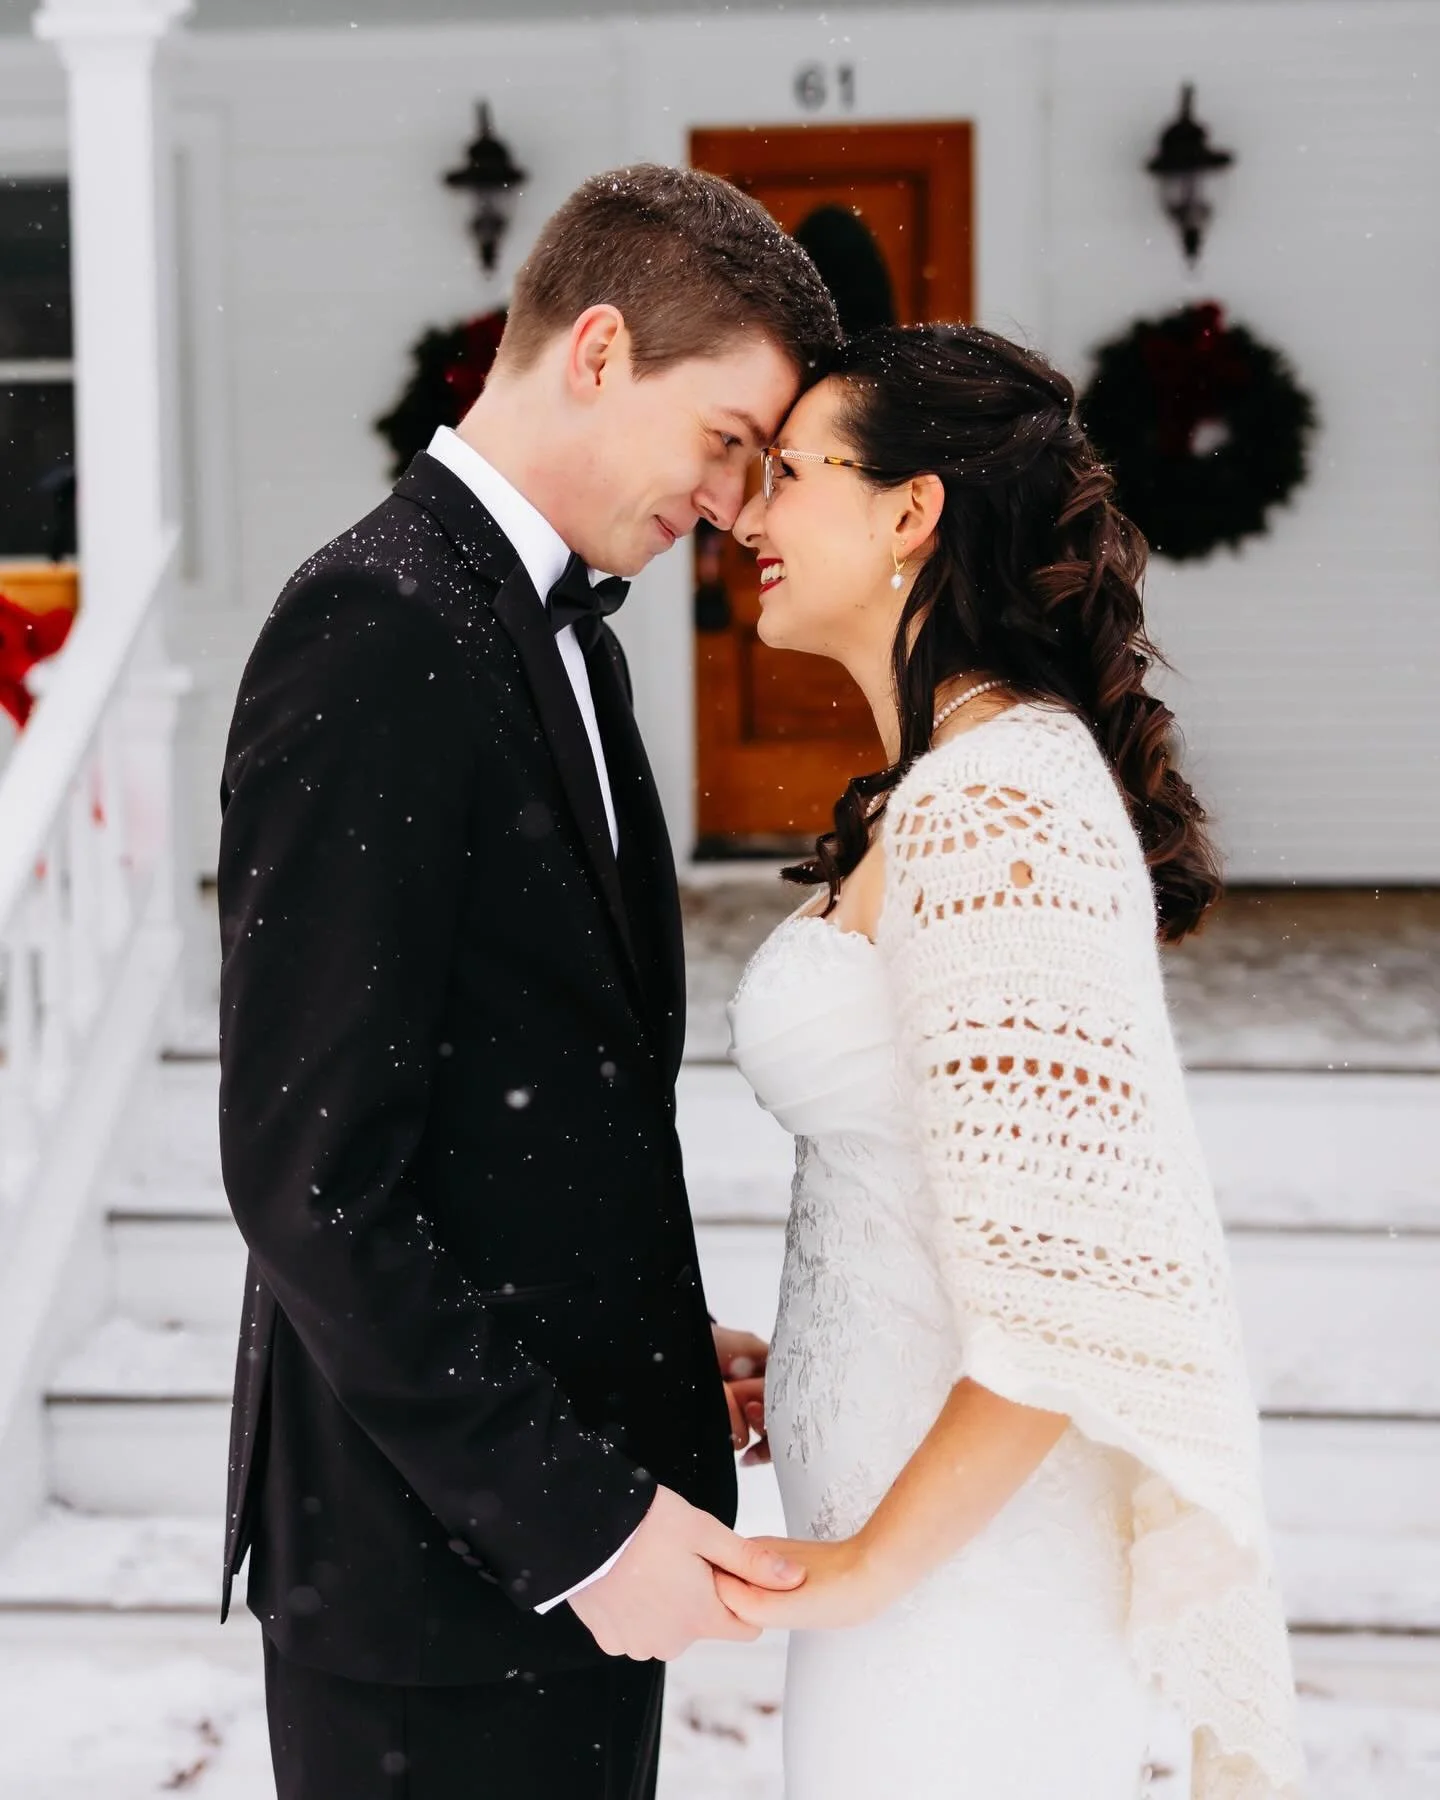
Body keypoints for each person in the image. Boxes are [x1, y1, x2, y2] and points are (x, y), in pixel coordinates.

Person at [215, 164, 841, 1800]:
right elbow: (313, 1180)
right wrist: (577, 1523)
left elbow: (532, 1090)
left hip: (550, 1554)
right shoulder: (372, 627)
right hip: (431, 1587)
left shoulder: (575, 638)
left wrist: (637, 1331)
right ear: (600, 347)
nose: (733, 503)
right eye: (727, 441)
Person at [724, 323, 1305, 1799]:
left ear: (911, 511)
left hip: (962, 1602)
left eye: (793, 475)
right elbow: (946, 1188)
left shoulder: (1002, 802)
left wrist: (865, 1571)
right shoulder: (936, 788)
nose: (749, 514)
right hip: (904, 1573)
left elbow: (1076, 1288)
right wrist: (804, 1359)